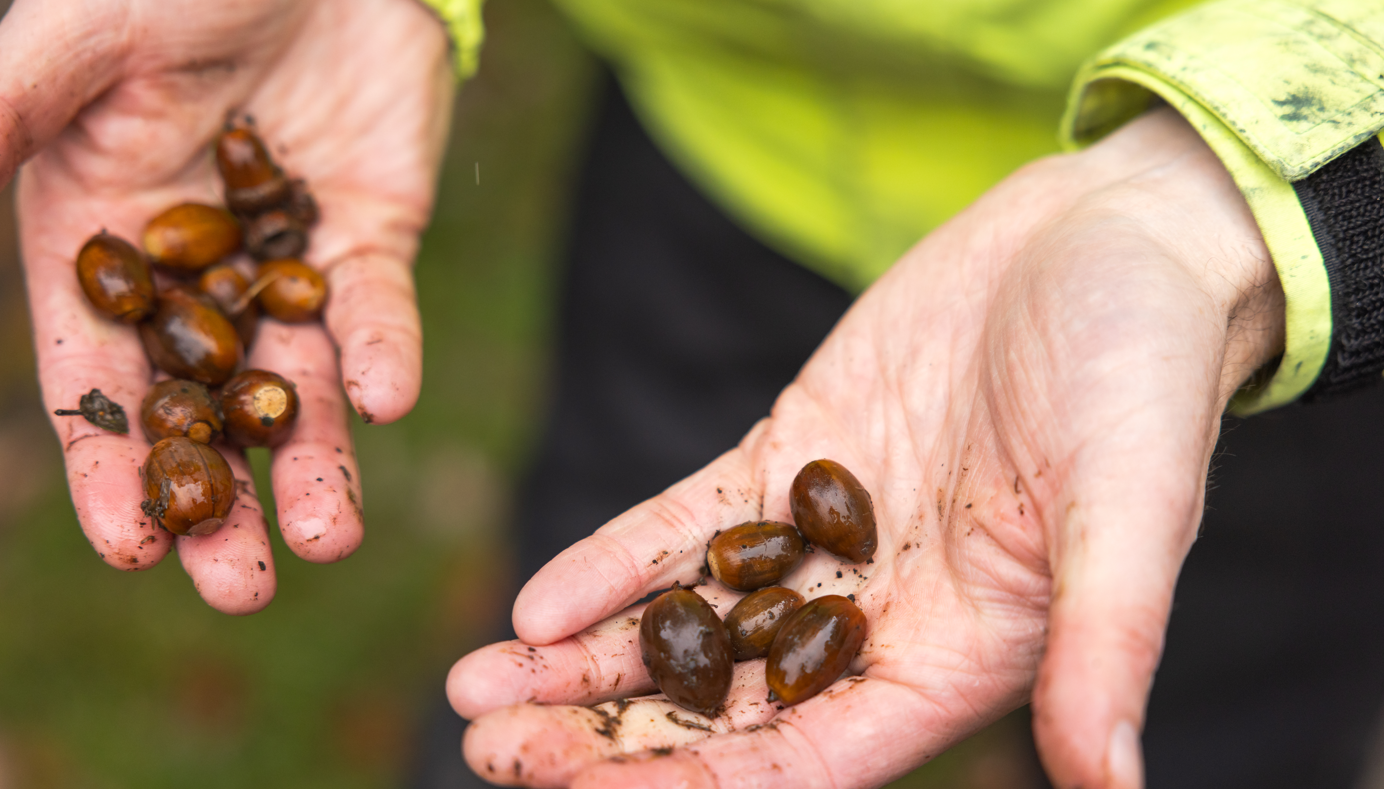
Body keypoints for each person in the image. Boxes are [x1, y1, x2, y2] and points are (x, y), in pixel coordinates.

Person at [2, 0, 1382, 787]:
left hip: (1238, 272)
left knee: (1206, 725)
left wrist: (1260, 194)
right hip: (723, 140)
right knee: (589, 646)